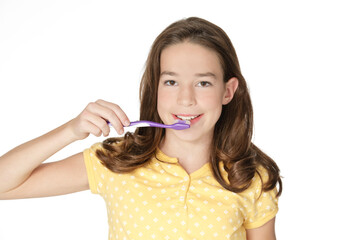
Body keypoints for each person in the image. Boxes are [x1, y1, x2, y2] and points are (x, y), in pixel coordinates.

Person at [0, 17, 282, 240]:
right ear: (155, 88)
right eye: (171, 82)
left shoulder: (251, 177)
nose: (186, 99)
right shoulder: (118, 161)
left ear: (228, 91)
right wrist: (70, 131)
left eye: (203, 83)